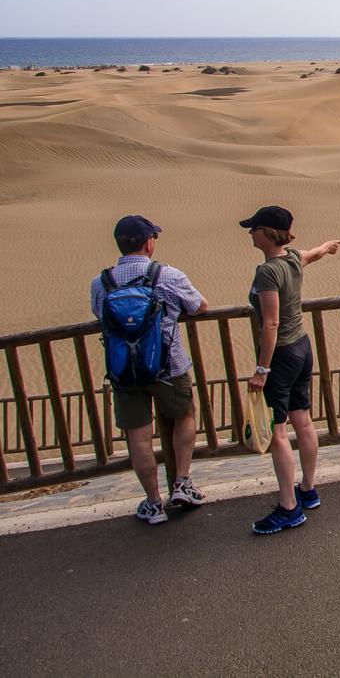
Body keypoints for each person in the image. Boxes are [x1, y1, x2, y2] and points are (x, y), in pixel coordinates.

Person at [91, 215, 210, 524]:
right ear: (148, 243)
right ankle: (182, 483)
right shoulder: (167, 275)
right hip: (169, 367)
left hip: (124, 373)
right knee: (184, 416)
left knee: (138, 436)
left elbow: (98, 313)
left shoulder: (102, 283)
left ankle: (153, 502)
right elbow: (201, 306)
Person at [240, 205, 340, 535]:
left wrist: (261, 369)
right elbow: (311, 255)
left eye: (254, 228)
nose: (250, 233)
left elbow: (270, 323)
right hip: (302, 346)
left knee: (278, 431)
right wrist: (326, 248)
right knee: (303, 418)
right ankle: (308, 490)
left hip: (282, 353)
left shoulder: (268, 272)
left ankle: (288, 508)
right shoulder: (292, 259)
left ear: (268, 233)